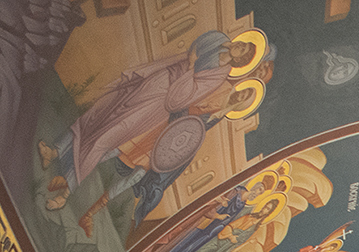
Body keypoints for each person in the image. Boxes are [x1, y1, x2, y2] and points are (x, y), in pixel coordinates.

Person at [38, 31, 261, 211]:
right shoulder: (217, 42)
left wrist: (191, 66)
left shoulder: (218, 76)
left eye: (242, 50)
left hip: (159, 104)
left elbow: (186, 96)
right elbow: (198, 44)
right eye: (242, 43)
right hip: (154, 81)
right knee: (98, 113)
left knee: (106, 139)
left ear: (240, 60)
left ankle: (66, 193)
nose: (239, 46)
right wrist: (195, 56)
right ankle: (56, 151)